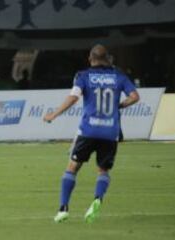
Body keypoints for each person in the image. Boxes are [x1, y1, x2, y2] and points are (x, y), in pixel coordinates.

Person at [43, 44, 140, 223]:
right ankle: (97, 199)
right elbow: (135, 96)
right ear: (108, 58)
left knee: (72, 168)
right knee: (103, 170)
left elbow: (73, 97)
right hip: (110, 132)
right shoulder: (119, 76)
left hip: (88, 130)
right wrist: (120, 105)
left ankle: (63, 208)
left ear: (90, 58)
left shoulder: (84, 76)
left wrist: (54, 114)